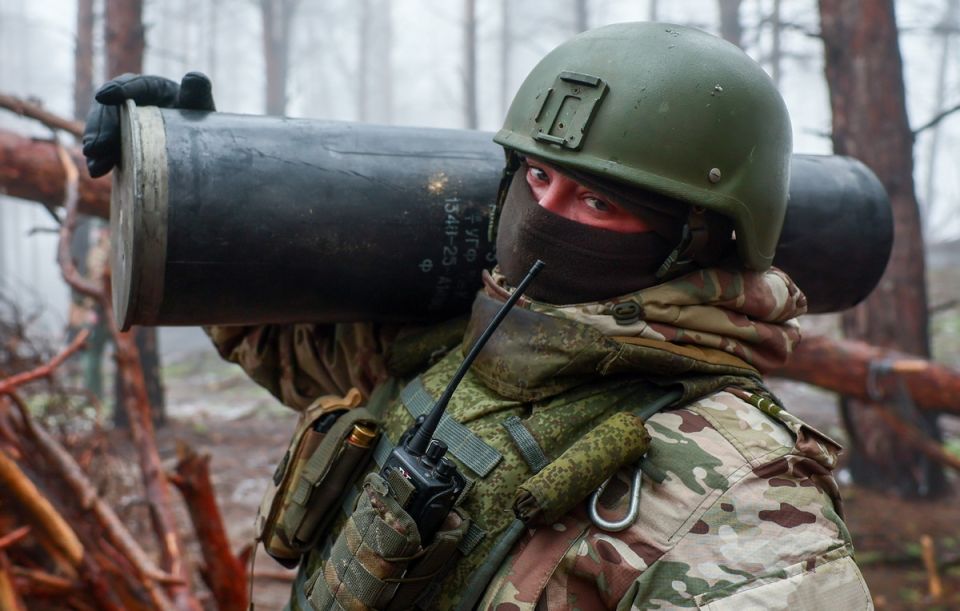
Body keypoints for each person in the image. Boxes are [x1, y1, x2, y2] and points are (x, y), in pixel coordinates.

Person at [84, 22, 872, 611]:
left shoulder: (745, 497)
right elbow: (282, 342)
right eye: (537, 176)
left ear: (696, 238)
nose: (546, 214)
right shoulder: (463, 347)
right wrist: (205, 183)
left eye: (598, 199)